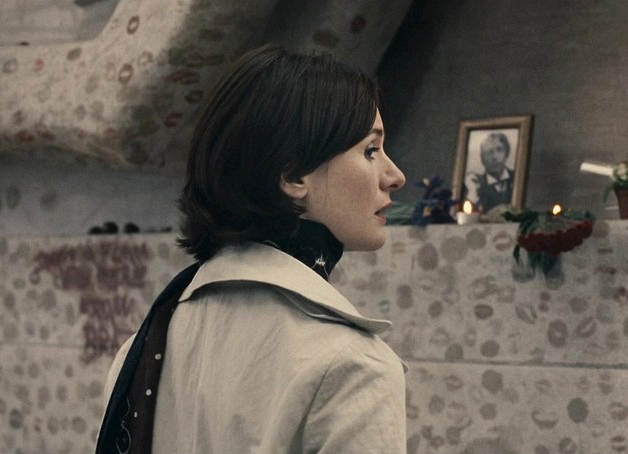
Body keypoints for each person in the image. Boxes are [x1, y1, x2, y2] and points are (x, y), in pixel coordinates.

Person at [96, 45, 408, 454]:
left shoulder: (140, 352)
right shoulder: (352, 369)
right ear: (293, 176)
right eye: (370, 150)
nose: (395, 176)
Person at [463, 132, 515, 212]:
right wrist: (472, 192)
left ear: (506, 153)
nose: (494, 157)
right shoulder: (476, 185)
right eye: (489, 152)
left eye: (499, 150)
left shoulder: (517, 178)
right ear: (482, 158)